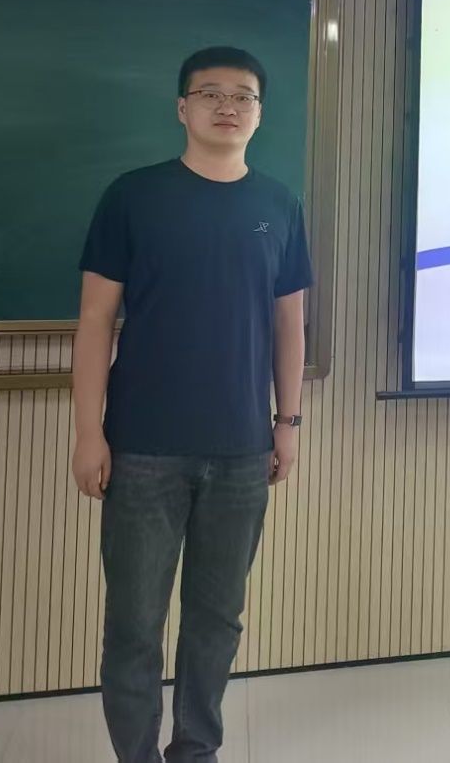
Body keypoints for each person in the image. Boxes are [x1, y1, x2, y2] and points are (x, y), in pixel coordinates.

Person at [70, 46, 312, 763]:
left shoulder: (279, 205)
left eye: (243, 95)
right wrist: (88, 432)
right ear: (183, 108)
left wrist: (288, 423)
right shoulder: (133, 196)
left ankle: (197, 749)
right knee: (135, 625)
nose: (227, 106)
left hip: (242, 450)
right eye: (210, 93)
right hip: (143, 448)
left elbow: (291, 324)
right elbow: (94, 321)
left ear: (260, 114)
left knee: (217, 619)